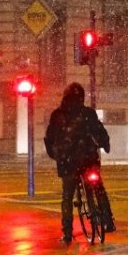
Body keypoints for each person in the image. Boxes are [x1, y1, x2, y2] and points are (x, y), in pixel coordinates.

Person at [44, 82, 113, 243]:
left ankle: (67, 233)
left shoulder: (57, 115)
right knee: (98, 188)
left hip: (68, 163)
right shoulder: (88, 113)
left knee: (67, 196)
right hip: (88, 159)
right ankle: (108, 221)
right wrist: (105, 145)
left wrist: (56, 155)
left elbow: (50, 139)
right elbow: (99, 131)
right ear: (81, 97)